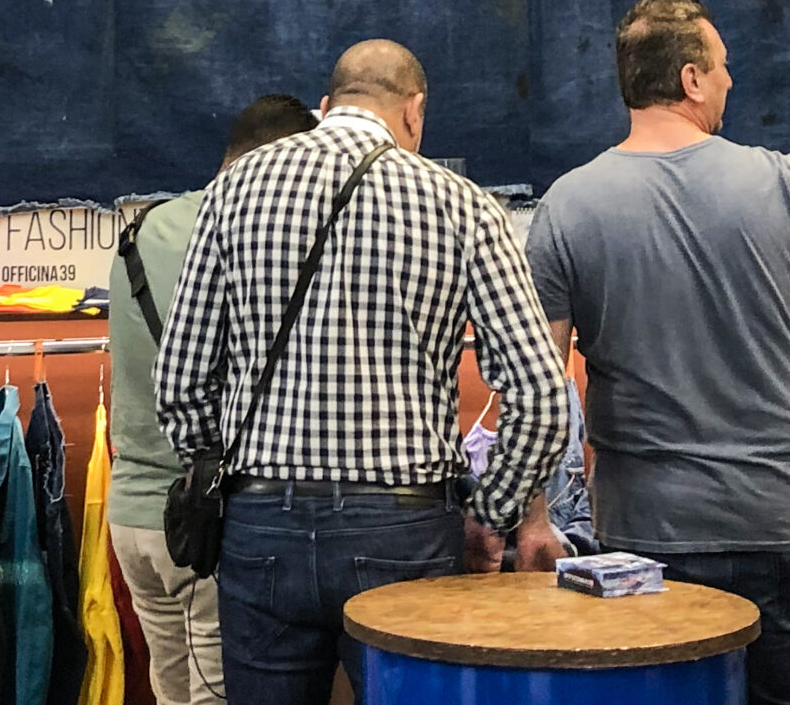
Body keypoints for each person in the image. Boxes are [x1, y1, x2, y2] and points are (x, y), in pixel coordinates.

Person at [519, 0, 790, 705]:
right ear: (691, 79)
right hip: (771, 522)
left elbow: (539, 384)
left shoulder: (566, 208)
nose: (730, 79)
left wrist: (534, 517)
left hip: (643, 531)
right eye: (723, 66)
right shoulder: (787, 183)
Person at [154, 40, 571, 705]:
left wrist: (222, 475)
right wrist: (490, 516)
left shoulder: (234, 189)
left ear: (327, 106)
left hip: (261, 525)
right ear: (414, 111)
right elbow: (542, 396)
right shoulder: (463, 205)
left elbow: (180, 382)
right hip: (406, 530)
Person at [107, 93, 319, 705]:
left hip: (130, 513)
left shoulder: (141, 230)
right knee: (217, 694)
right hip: (204, 518)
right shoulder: (241, 239)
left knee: (171, 688)